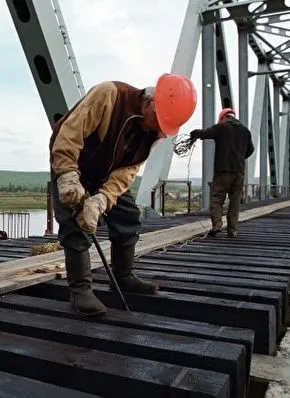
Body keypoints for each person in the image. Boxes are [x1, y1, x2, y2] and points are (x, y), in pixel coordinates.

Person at [49, 74, 197, 316]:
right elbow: (68, 135)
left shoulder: (154, 133)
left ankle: (124, 276)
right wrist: (67, 176)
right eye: (159, 122)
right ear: (151, 102)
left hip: (106, 174)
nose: (160, 131)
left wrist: (101, 200)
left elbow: (127, 171)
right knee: (74, 224)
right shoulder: (109, 95)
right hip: (73, 165)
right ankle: (81, 292)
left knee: (127, 214)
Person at [190, 108, 255, 238]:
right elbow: (250, 150)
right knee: (235, 201)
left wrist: (194, 133)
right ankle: (232, 230)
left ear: (223, 117)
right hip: (239, 172)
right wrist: (240, 157)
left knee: (216, 198)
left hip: (223, 170)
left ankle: (217, 225)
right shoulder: (245, 131)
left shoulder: (222, 127)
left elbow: (205, 133)